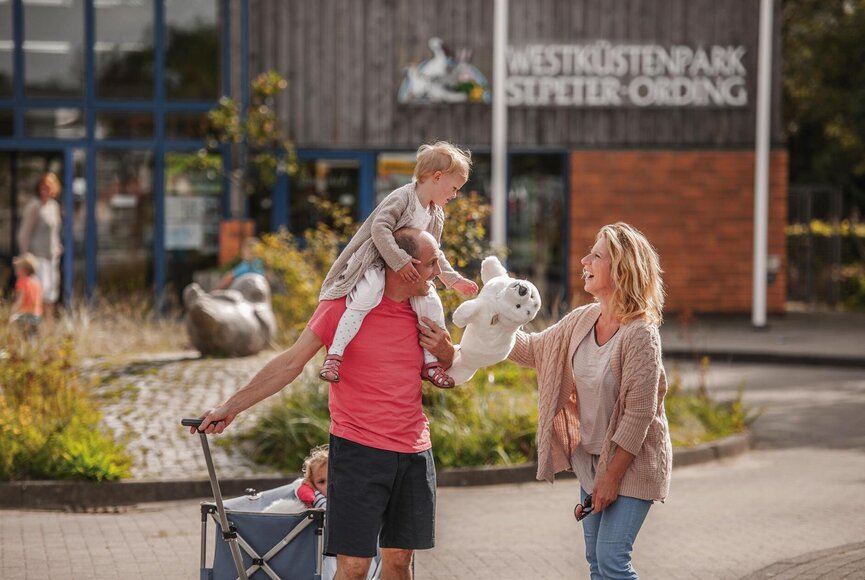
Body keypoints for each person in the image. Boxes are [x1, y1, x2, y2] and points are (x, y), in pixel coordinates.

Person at [193, 227, 455, 580]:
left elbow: (447, 367)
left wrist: (446, 352)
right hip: (359, 451)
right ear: (403, 266)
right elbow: (290, 363)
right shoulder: (342, 309)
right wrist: (230, 407)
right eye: (431, 264)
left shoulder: (424, 310)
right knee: (354, 566)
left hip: (413, 452)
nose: (439, 271)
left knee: (399, 559)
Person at [508, 222, 672, 579]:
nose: (584, 260)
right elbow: (534, 349)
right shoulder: (584, 319)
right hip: (592, 461)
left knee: (613, 560)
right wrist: (484, 333)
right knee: (597, 563)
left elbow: (638, 416)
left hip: (632, 464)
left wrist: (610, 479)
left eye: (595, 255)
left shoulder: (640, 334)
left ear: (622, 269)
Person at [317, 141, 478, 389]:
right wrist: (400, 261)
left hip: (409, 273)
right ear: (437, 177)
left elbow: (434, 250)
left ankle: (431, 364)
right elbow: (379, 228)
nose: (455, 195)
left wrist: (452, 278)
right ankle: (334, 355)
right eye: (454, 188)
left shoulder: (436, 214)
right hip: (377, 262)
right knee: (367, 295)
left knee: (431, 305)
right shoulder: (404, 197)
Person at [16, 172, 63, 316]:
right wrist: (25, 258)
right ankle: (34, 329)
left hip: (52, 257)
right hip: (36, 258)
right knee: (37, 294)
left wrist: (58, 246)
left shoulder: (54, 206)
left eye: (49, 186)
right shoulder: (34, 206)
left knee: (51, 295)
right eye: (43, 186)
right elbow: (24, 233)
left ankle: (48, 328)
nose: (46, 189)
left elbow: (55, 231)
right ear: (38, 188)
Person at [10, 253, 43, 337]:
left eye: (17, 267)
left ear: (24, 269)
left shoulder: (21, 281)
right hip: (37, 314)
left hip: (25, 314)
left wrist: (12, 313)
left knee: (22, 336)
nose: (15, 269)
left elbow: (20, 300)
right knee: (32, 337)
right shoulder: (36, 282)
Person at [296, 443, 328, 509]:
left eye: (333, 479)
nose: (328, 485)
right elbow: (326, 508)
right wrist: (314, 490)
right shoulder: (319, 499)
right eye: (322, 481)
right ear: (313, 484)